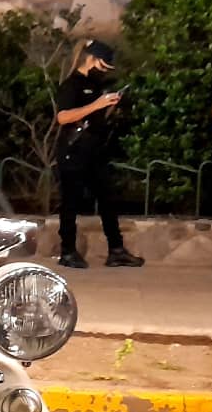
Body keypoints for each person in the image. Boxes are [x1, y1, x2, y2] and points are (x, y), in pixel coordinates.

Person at [54, 38, 144, 269]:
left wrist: (110, 105)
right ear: (91, 59)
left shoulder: (95, 86)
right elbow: (63, 117)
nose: (104, 71)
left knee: (107, 199)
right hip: (73, 151)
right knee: (70, 202)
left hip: (95, 150)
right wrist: (96, 105)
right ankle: (67, 251)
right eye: (102, 66)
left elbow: (95, 118)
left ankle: (116, 249)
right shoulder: (71, 84)